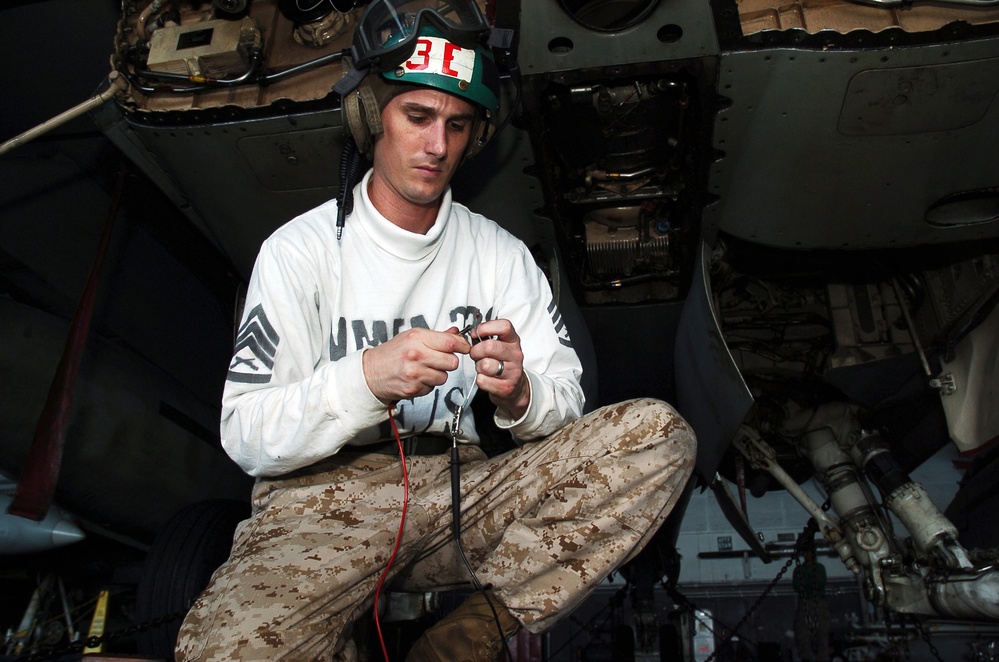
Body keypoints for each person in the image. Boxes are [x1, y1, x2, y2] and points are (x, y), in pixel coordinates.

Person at [175, 1, 695, 660]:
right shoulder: (298, 251)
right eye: (416, 117)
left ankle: (466, 636)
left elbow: (567, 401)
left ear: (476, 136)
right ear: (371, 117)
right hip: (318, 501)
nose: (436, 145)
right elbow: (246, 433)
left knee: (656, 435)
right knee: (225, 653)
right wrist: (364, 378)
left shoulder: (499, 254)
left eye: (457, 124)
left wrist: (521, 395)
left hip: (462, 490)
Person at [792, 545, 830, 662]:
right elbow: (797, 586)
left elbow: (821, 583)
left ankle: (823, 657)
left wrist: (808, 586)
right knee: (802, 632)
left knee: (822, 632)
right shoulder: (799, 570)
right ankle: (806, 656)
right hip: (805, 603)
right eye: (805, 552)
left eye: (809, 552)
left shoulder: (819, 568)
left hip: (819, 602)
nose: (807, 555)